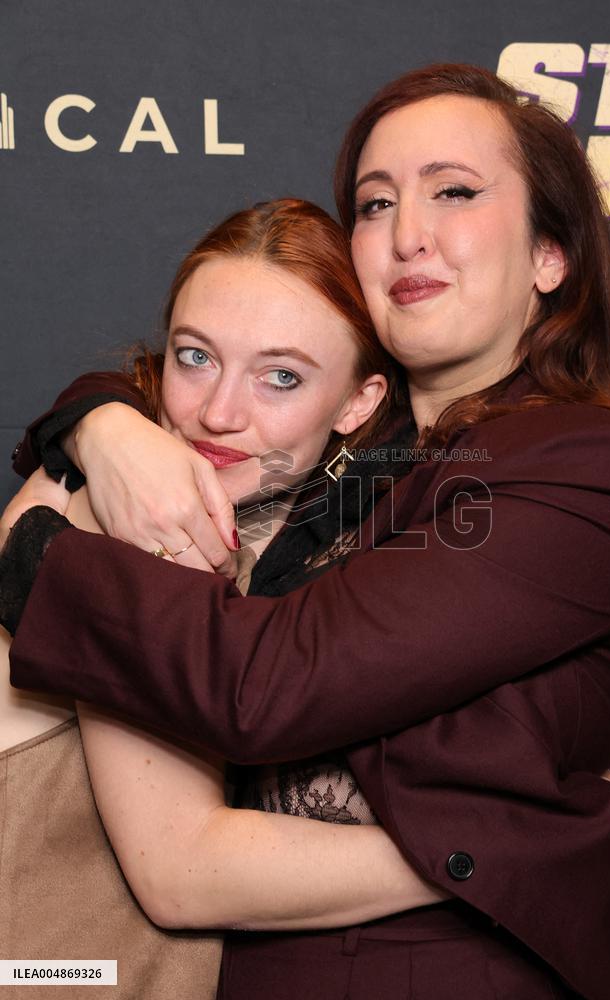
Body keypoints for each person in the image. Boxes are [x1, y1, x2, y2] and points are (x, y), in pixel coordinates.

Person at [3, 64, 610, 999]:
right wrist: (103, 429)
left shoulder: (584, 466)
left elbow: (273, 683)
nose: (406, 232)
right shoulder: (361, 464)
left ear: (551, 254)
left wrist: (36, 558)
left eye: (453, 192)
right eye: (374, 204)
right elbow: (217, 387)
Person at [0, 198, 449, 1000]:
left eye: (280, 376)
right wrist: (513, 849)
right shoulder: (138, 512)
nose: (218, 413)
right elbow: (183, 873)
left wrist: (96, 419)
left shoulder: (309, 528)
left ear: (357, 403)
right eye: (195, 356)